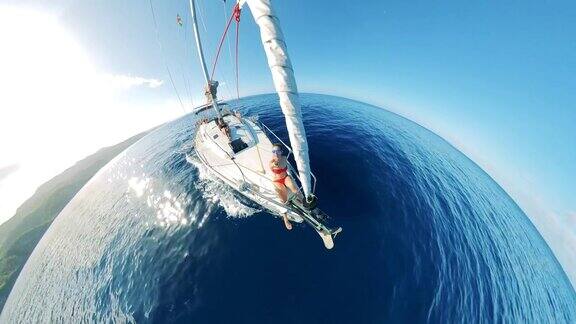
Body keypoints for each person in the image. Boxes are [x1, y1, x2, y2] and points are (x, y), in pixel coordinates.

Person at [269, 143, 301, 230]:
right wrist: (275, 163)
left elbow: (286, 167)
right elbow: (273, 166)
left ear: (281, 151)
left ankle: (301, 201)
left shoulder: (284, 158)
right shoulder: (272, 162)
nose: (275, 153)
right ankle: (285, 219)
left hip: (285, 177)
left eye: (278, 151)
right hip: (277, 181)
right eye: (273, 151)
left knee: (295, 190)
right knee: (283, 199)